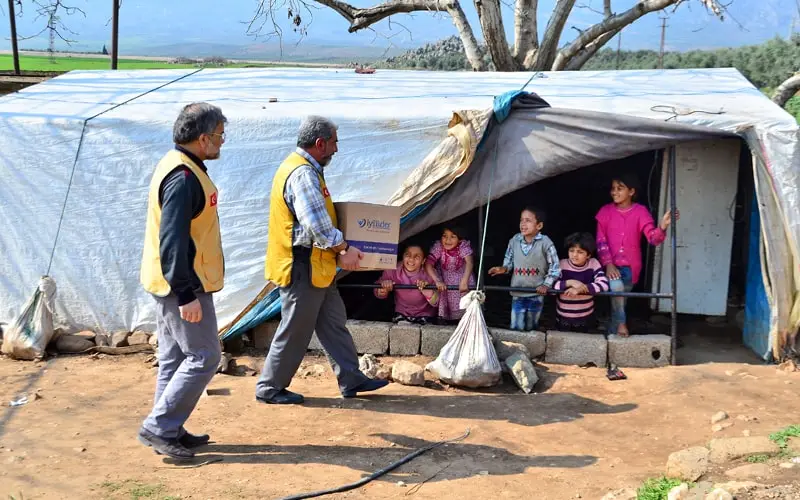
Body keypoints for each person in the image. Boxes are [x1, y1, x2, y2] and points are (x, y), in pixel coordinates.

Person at [256, 115, 389, 404]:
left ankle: (351, 378)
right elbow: (316, 223)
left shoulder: (302, 169)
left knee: (332, 322)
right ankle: (269, 387)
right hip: (303, 267)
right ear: (320, 143)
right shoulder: (303, 174)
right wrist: (343, 249)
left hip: (315, 266)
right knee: (294, 331)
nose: (336, 149)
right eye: (334, 143)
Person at [138, 102, 227, 460]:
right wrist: (185, 293)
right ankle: (160, 426)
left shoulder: (179, 165)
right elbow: (173, 240)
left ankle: (170, 427)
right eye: (219, 136)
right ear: (203, 139)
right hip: (183, 286)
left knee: (174, 358)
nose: (222, 142)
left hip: (170, 283)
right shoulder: (183, 178)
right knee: (205, 356)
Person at [595, 173, 679, 337]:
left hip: (630, 268)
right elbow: (601, 241)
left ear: (631, 191)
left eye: (620, 189)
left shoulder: (641, 212)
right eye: (613, 189)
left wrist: (662, 226)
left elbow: (653, 239)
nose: (614, 192)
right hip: (610, 265)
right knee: (617, 290)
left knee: (619, 299)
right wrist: (609, 264)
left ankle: (612, 333)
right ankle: (621, 326)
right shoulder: (605, 211)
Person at [488, 207, 560, 332]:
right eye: (521, 220)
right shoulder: (514, 241)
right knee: (516, 326)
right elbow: (508, 262)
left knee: (532, 326)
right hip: (518, 292)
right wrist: (502, 269)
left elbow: (555, 266)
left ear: (539, 225)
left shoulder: (545, 242)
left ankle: (530, 350)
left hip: (536, 293)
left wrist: (546, 285)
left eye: (528, 220)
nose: (523, 224)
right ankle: (517, 349)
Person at [553, 232, 610, 333]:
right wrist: (570, 282)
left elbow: (604, 285)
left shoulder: (593, 263)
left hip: (586, 316)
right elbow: (551, 286)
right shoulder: (562, 264)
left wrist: (580, 289)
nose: (574, 255)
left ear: (588, 255)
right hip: (563, 317)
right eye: (571, 251)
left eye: (580, 252)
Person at [375, 244, 439, 325]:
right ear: (403, 256)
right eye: (408, 255)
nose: (411, 259)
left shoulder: (430, 273)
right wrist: (383, 289)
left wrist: (427, 291)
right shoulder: (393, 270)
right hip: (402, 314)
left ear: (423, 261)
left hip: (426, 315)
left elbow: (438, 302)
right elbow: (378, 291)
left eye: (417, 257)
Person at [424, 226, 476, 323]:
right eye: (445, 236)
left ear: (459, 239)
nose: (448, 240)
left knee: (464, 308)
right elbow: (428, 264)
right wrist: (437, 280)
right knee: (447, 311)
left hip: (462, 279)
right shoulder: (439, 246)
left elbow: (469, 262)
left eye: (453, 236)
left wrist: (464, 281)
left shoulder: (463, 246)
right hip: (444, 281)